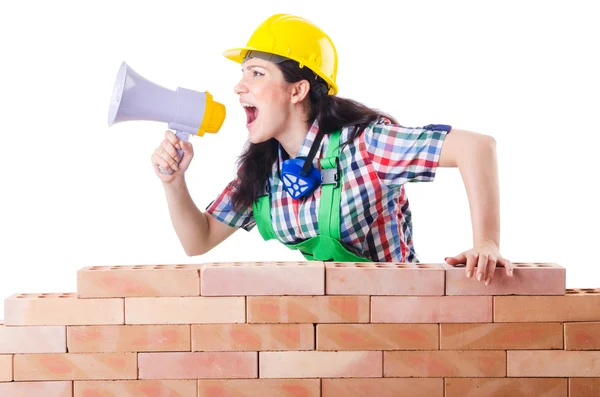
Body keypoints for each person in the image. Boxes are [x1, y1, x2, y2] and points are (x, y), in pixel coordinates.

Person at [150, 14, 513, 285]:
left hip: (405, 321)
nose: (238, 87)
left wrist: (487, 242)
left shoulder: (366, 146)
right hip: (339, 329)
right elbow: (198, 240)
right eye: (243, 74)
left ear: (298, 90)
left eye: (256, 74)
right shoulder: (264, 172)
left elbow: (476, 147)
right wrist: (173, 182)